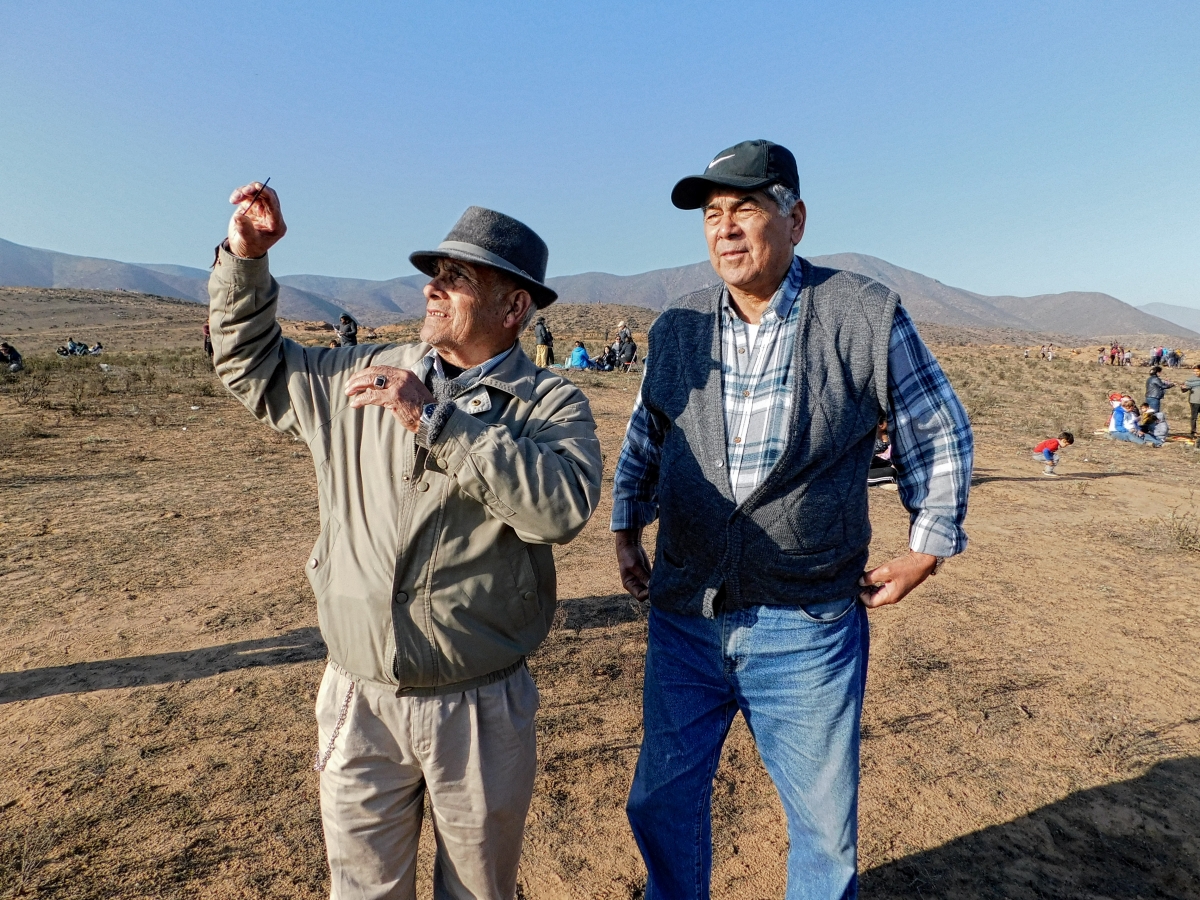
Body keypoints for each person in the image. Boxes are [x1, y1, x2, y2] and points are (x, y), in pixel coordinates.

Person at [207, 184, 603, 900]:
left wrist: (438, 424)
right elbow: (254, 366)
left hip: (478, 707)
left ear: (514, 308)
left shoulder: (549, 404)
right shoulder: (359, 375)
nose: (434, 288)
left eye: (459, 278)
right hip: (359, 697)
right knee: (363, 891)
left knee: (479, 892)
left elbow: (562, 510)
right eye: (436, 273)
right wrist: (245, 262)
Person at [611, 140, 973, 899]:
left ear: (796, 218)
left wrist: (927, 546)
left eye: (746, 207)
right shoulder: (677, 327)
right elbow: (649, 433)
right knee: (660, 799)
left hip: (806, 622)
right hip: (687, 616)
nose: (726, 229)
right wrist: (625, 525)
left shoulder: (863, 313)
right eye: (712, 214)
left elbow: (936, 429)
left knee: (821, 827)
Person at [1182, 365, 1200, 438]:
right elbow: (1185, 389)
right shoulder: (1191, 380)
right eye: (1194, 371)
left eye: (1197, 371)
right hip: (1194, 401)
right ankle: (1193, 432)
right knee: (1194, 417)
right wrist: (1183, 388)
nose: (1196, 373)